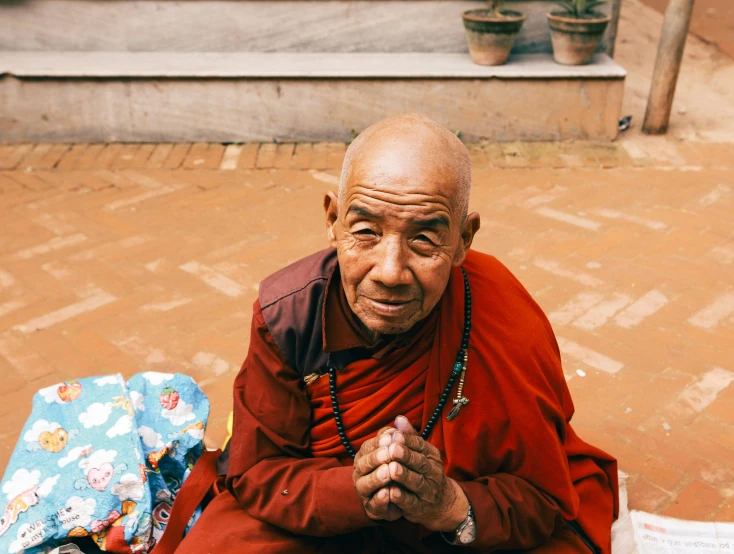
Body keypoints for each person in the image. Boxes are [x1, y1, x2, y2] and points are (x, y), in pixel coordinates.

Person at [175, 114, 618, 553]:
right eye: (366, 231)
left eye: (424, 239)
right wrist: (357, 489)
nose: (390, 272)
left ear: (464, 239)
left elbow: (541, 496)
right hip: (326, 508)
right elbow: (262, 472)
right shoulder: (290, 314)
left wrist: (449, 503)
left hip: (450, 525)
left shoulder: (506, 320)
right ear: (333, 220)